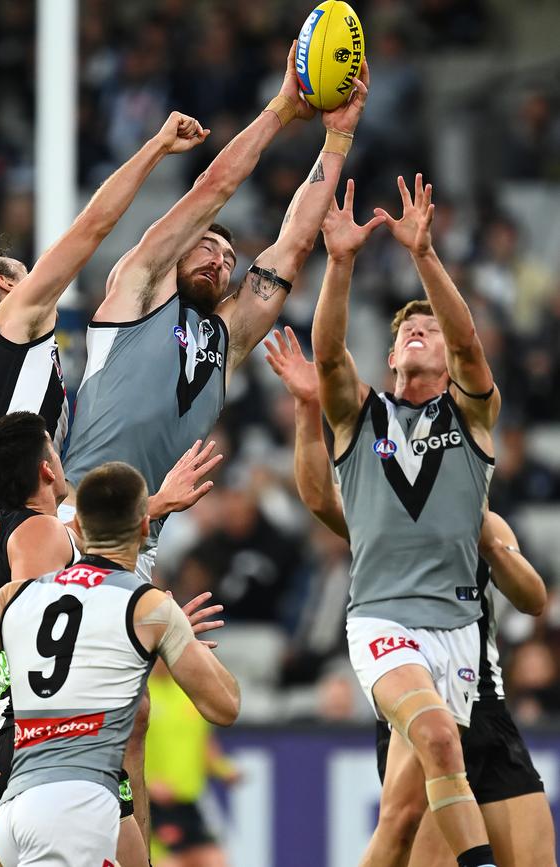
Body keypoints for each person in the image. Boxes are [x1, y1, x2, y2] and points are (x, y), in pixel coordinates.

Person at [0, 109, 211, 866]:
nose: (34, 268)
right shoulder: (16, 317)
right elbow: (90, 227)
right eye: (21, 266)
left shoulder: (16, 357)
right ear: (3, 285)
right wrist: (151, 150)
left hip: (5, 522)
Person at [61, 45, 371, 585]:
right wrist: (281, 109)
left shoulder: (226, 339)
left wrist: (337, 139)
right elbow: (213, 189)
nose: (219, 261)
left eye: (229, 259)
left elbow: (293, 246)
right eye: (206, 248)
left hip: (142, 543)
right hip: (73, 520)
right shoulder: (136, 291)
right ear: (177, 253)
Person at [265, 327, 556, 867]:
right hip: (412, 675)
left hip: (482, 697)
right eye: (406, 332)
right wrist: (309, 409)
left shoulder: (477, 509)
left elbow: (534, 598)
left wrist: (494, 547)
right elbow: (325, 504)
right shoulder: (390, 508)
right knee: (402, 828)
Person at [311, 176, 501, 867]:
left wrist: (424, 254)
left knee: (404, 813)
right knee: (440, 740)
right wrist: (339, 263)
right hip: (384, 619)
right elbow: (328, 355)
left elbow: (474, 348)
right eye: (405, 331)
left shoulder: (472, 415)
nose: (417, 332)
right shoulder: (360, 417)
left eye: (430, 330)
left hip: (458, 630)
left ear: (446, 358)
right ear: (390, 357)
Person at [0, 461, 240, 867]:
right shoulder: (149, 607)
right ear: (144, 529)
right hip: (76, 802)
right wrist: (176, 640)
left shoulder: (20, 594)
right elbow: (224, 706)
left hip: (14, 803)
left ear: (80, 528)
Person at [146, 657, 242, 867]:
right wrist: (147, 782)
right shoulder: (140, 694)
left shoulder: (189, 695)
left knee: (215, 861)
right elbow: (123, 750)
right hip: (152, 805)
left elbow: (205, 745)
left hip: (189, 801)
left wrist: (225, 770)